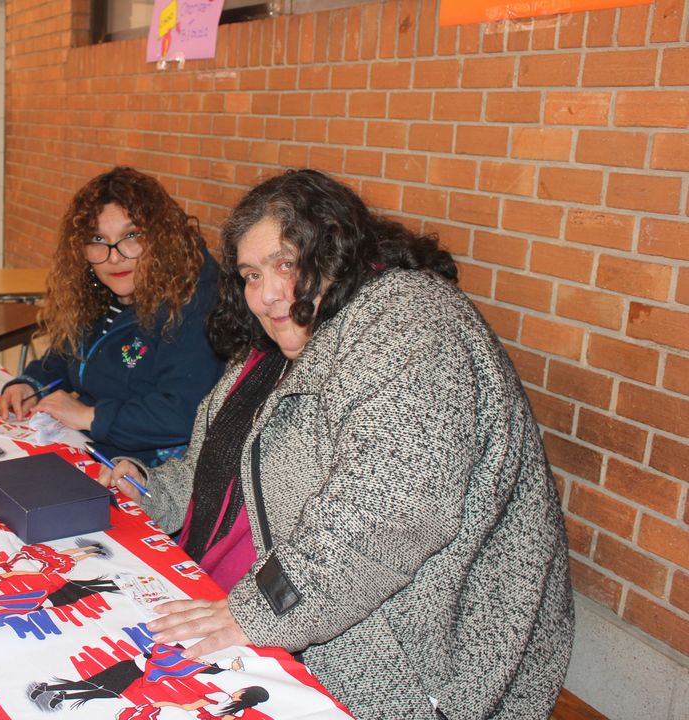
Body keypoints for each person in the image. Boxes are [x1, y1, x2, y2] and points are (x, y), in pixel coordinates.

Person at [101, 170, 574, 719]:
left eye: (285, 263)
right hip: (261, 605)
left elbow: (384, 516)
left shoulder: (410, 324)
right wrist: (149, 490)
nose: (267, 294)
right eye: (252, 275)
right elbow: (214, 466)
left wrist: (255, 612)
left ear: (336, 251)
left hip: (409, 664)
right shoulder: (277, 342)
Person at [0, 167, 224, 468]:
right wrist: (31, 383)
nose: (114, 256)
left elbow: (183, 413)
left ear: (161, 238)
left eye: (131, 236)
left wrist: (89, 416)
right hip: (94, 447)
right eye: (97, 239)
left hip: (154, 472)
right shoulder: (98, 292)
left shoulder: (193, 303)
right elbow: (70, 355)